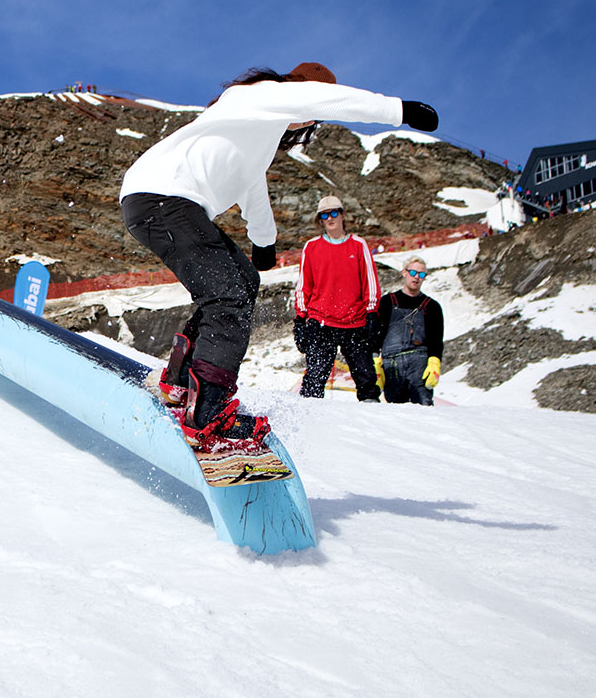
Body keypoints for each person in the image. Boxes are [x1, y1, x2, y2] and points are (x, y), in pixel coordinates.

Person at [120, 62, 437, 445]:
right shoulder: (264, 93)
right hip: (162, 198)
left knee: (243, 281)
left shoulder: (257, 133)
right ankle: (207, 414)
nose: (307, 123)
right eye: (310, 115)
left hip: (167, 203)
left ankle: (180, 381)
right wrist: (400, 110)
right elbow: (325, 98)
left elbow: (255, 193)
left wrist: (264, 242)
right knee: (227, 297)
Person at [293, 196, 383, 401]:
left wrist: (372, 314)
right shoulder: (311, 247)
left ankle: (372, 413)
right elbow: (304, 285)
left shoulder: (358, 245)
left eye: (334, 213)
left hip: (355, 321)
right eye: (325, 215)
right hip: (321, 321)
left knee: (367, 378)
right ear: (320, 220)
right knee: (314, 377)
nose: (330, 218)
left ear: (342, 215)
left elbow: (370, 282)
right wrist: (300, 319)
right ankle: (308, 413)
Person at [373, 257, 444, 406]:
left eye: (421, 274)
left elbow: (436, 339)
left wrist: (435, 362)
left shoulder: (432, 307)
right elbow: (375, 333)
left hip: (420, 365)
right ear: (404, 272)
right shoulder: (387, 302)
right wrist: (374, 361)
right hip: (392, 365)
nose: (416, 277)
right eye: (413, 272)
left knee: (424, 408)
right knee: (396, 413)